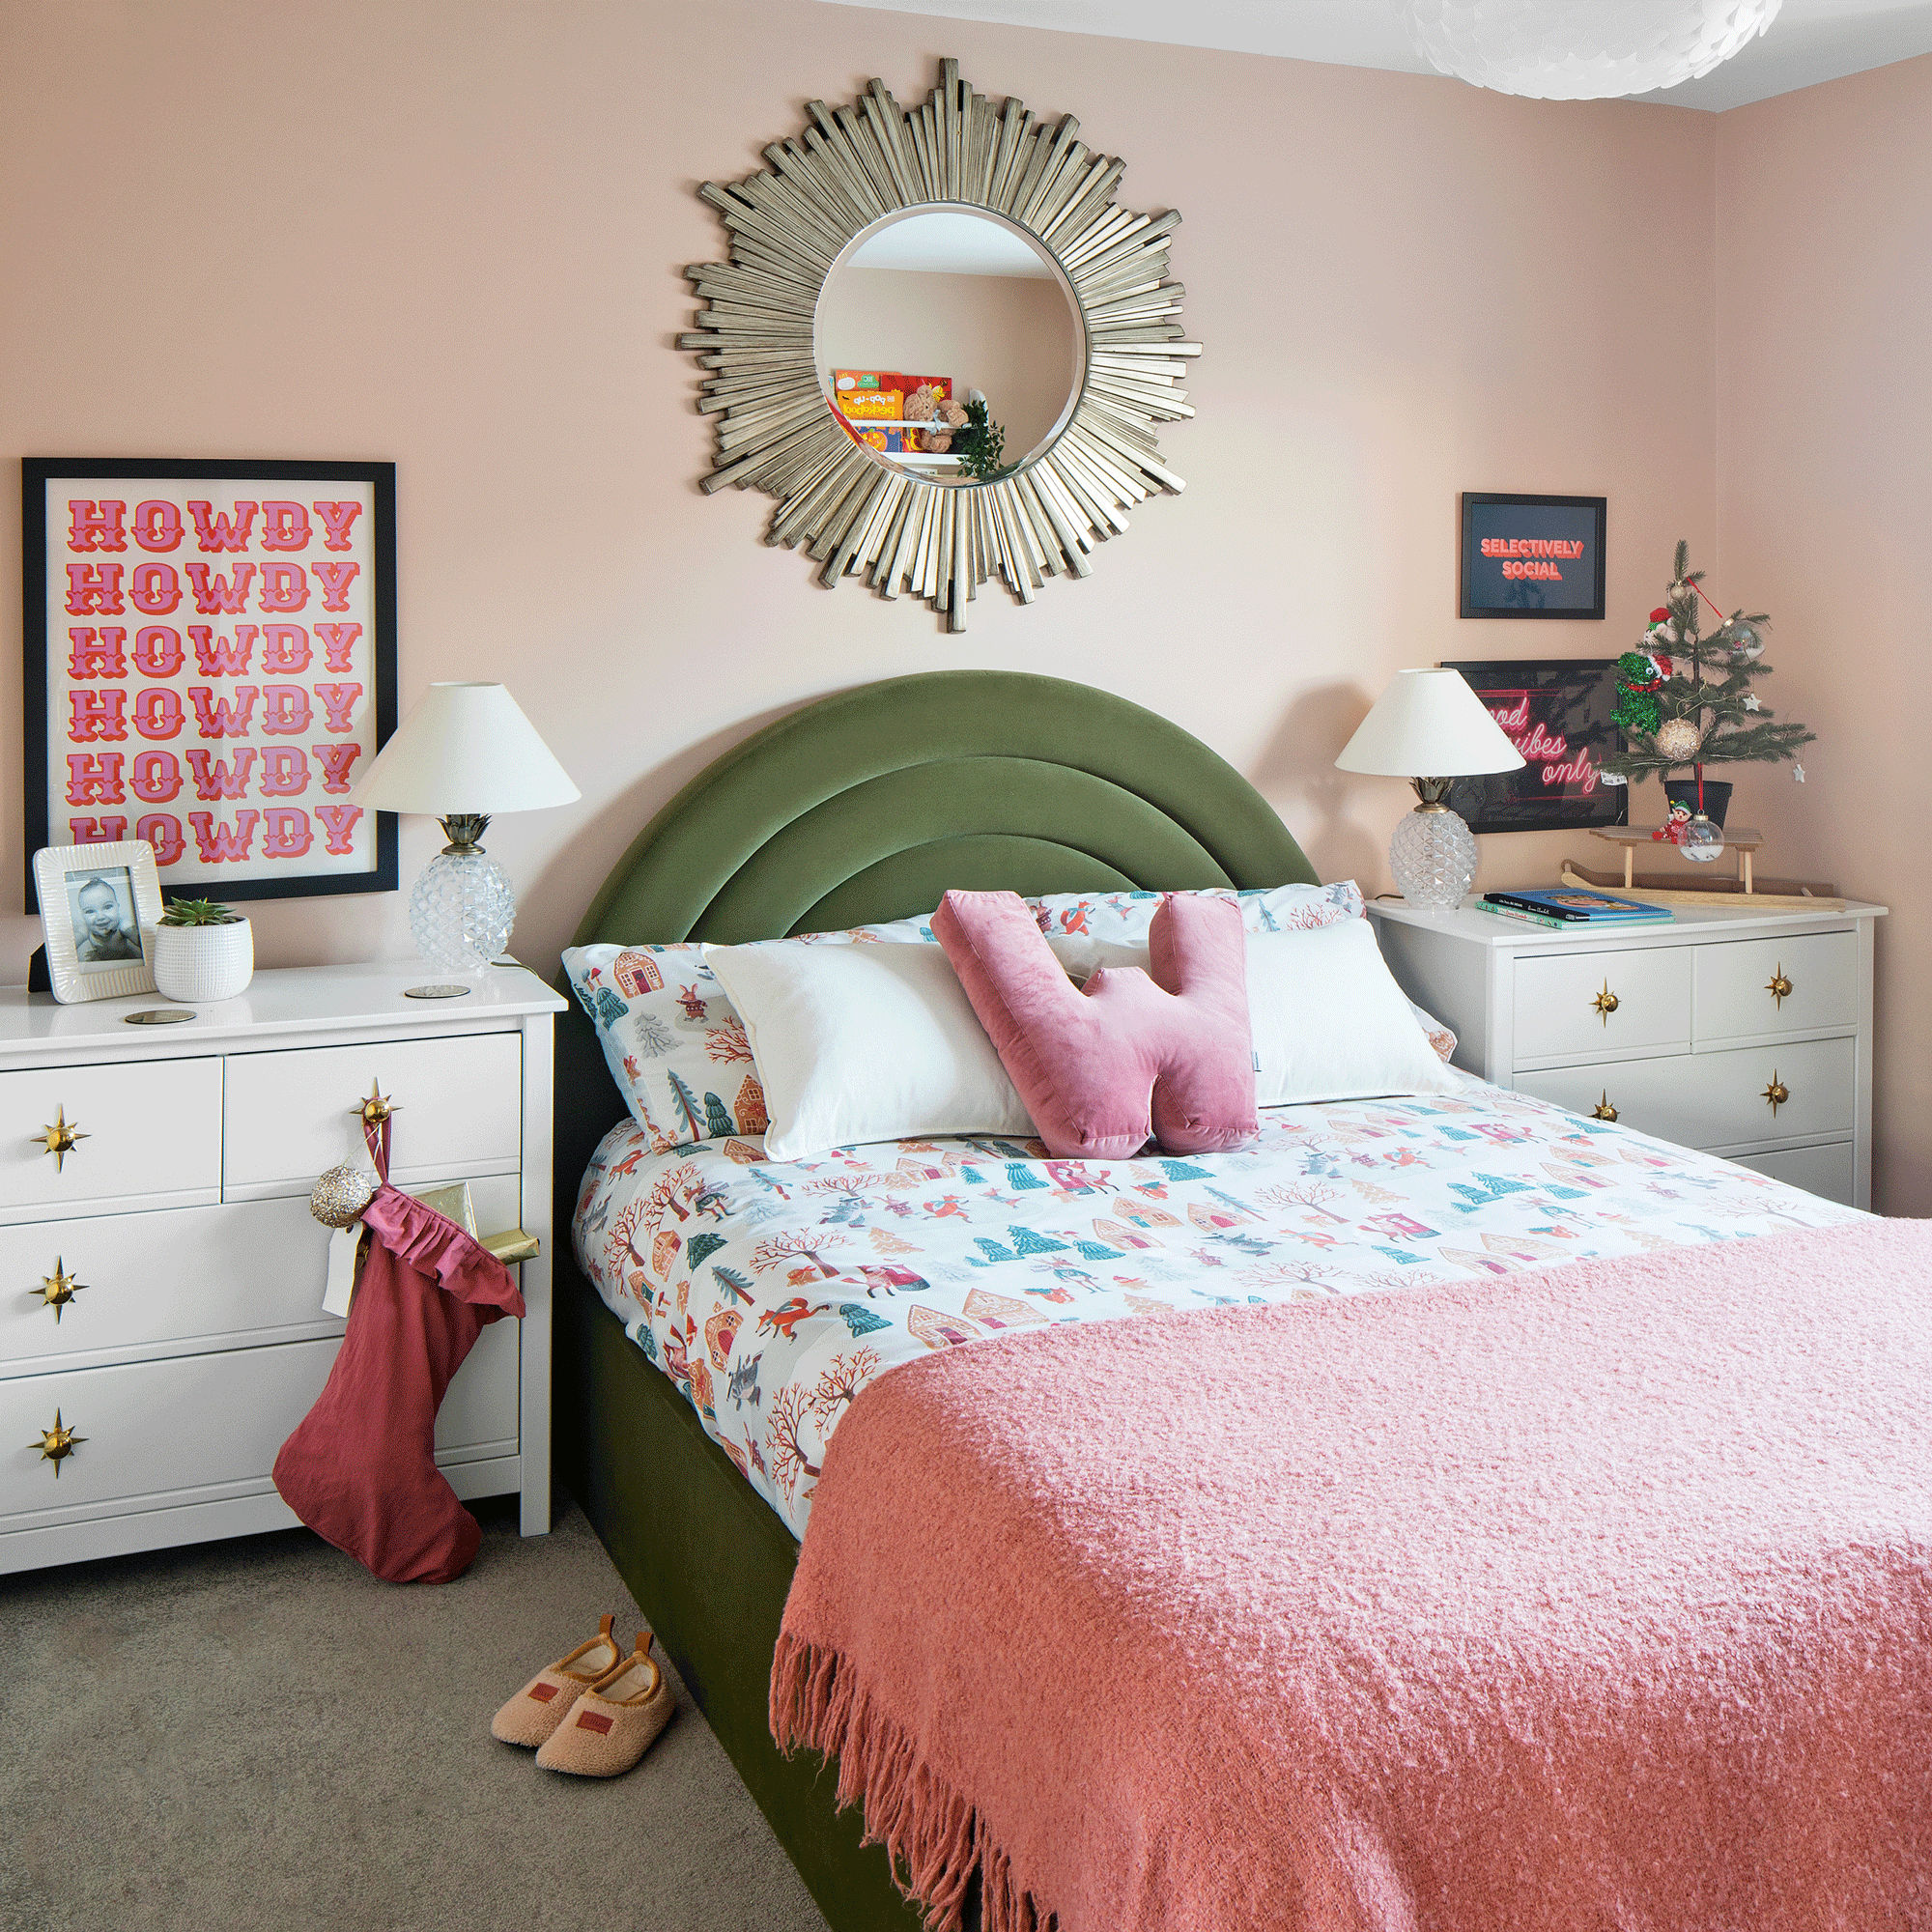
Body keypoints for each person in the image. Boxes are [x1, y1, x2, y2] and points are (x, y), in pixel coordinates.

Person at [73, 876, 141, 963]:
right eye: (90, 911)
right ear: (82, 916)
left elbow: (140, 938)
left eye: (107, 907)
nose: (100, 917)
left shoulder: (122, 925)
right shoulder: (85, 929)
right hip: (100, 959)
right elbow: (67, 947)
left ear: (117, 907)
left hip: (125, 956)